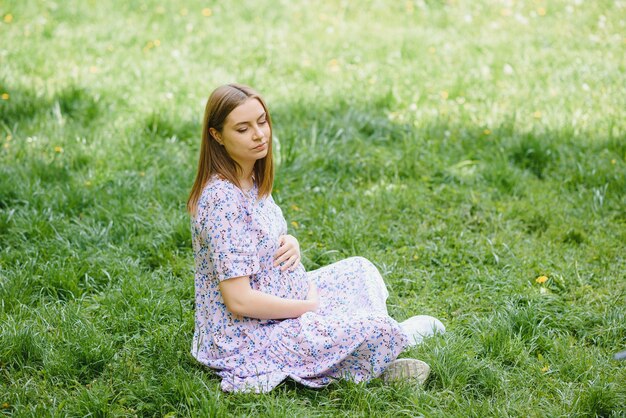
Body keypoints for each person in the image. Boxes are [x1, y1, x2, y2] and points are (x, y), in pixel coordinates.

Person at [187, 83, 445, 393]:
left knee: (359, 270)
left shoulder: (250, 176)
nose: (259, 134)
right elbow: (238, 300)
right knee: (370, 326)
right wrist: (307, 307)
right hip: (250, 335)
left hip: (289, 298)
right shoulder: (221, 200)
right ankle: (383, 348)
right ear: (217, 135)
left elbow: (261, 237)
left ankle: (369, 346)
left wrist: (290, 241)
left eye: (262, 121)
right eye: (243, 128)